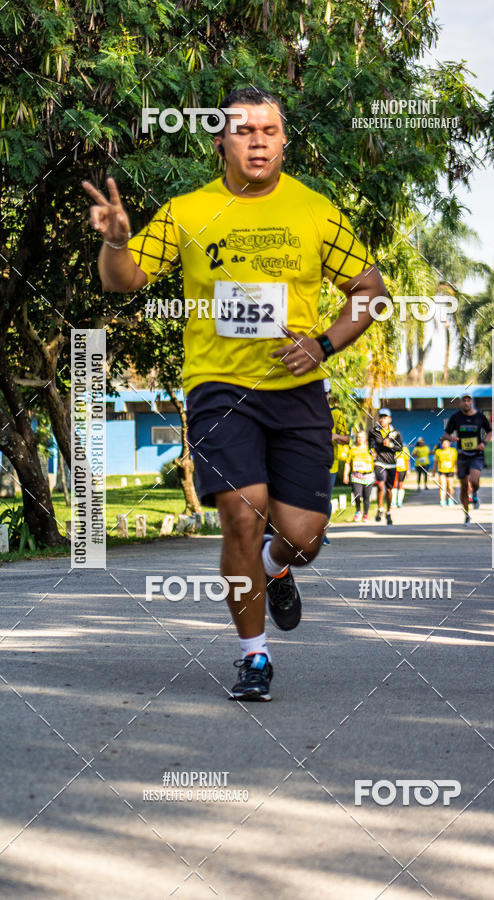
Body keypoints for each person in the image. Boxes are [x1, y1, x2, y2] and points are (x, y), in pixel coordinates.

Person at [83, 87, 385, 702]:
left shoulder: (314, 212)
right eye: (244, 131)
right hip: (219, 388)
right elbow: (125, 280)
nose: (257, 141)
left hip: (296, 387)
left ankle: (275, 570)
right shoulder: (189, 211)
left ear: (282, 140)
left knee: (301, 536)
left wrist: (324, 344)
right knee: (241, 513)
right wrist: (115, 242)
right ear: (220, 140)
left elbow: (370, 290)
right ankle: (254, 657)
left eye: (269, 131)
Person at [442, 394, 492, 525]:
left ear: (472, 403)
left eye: (468, 400)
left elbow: (490, 431)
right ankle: (467, 514)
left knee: (474, 480)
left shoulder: (480, 417)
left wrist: (484, 443)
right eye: (463, 401)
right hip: (462, 455)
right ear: (460, 403)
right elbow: (446, 434)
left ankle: (474, 493)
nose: (466, 403)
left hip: (476, 454)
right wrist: (450, 438)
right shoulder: (456, 417)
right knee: (464, 486)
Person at [323, 379, 350, 542]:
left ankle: (323, 533)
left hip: (330, 464)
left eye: (325, 393)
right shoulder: (305, 412)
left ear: (329, 394)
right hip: (307, 463)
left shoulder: (336, 413)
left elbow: (346, 438)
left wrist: (335, 436)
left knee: (324, 498)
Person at [368, 408, 403, 525]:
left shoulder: (396, 432)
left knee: (389, 490)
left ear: (390, 419)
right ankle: (379, 509)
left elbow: (400, 448)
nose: (382, 419)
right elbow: (370, 444)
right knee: (381, 485)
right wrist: (371, 451)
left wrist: (391, 444)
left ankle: (388, 512)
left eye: (385, 417)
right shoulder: (374, 431)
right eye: (381, 417)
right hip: (379, 461)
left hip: (391, 463)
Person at [343, 431, 375, 521]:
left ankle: (366, 514)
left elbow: (375, 461)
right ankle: (358, 512)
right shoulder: (352, 449)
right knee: (357, 495)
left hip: (368, 476)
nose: (359, 439)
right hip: (356, 476)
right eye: (358, 437)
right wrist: (345, 475)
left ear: (365, 438)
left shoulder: (370, 449)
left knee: (366, 497)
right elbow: (348, 463)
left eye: (361, 437)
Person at [432, 438, 457, 506]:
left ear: (449, 444)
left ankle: (450, 499)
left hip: (450, 471)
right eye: (443, 443)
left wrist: (455, 470)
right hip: (441, 471)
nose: (444, 445)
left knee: (450, 487)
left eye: (446, 443)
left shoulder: (453, 451)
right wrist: (433, 472)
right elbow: (435, 462)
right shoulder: (438, 451)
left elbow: (455, 462)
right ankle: (442, 500)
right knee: (442, 486)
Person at [392, 438, 411, 508]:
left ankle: (399, 501)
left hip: (402, 469)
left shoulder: (405, 449)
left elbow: (407, 461)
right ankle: (393, 502)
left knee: (400, 484)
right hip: (394, 469)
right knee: (394, 485)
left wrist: (408, 471)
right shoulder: (392, 449)